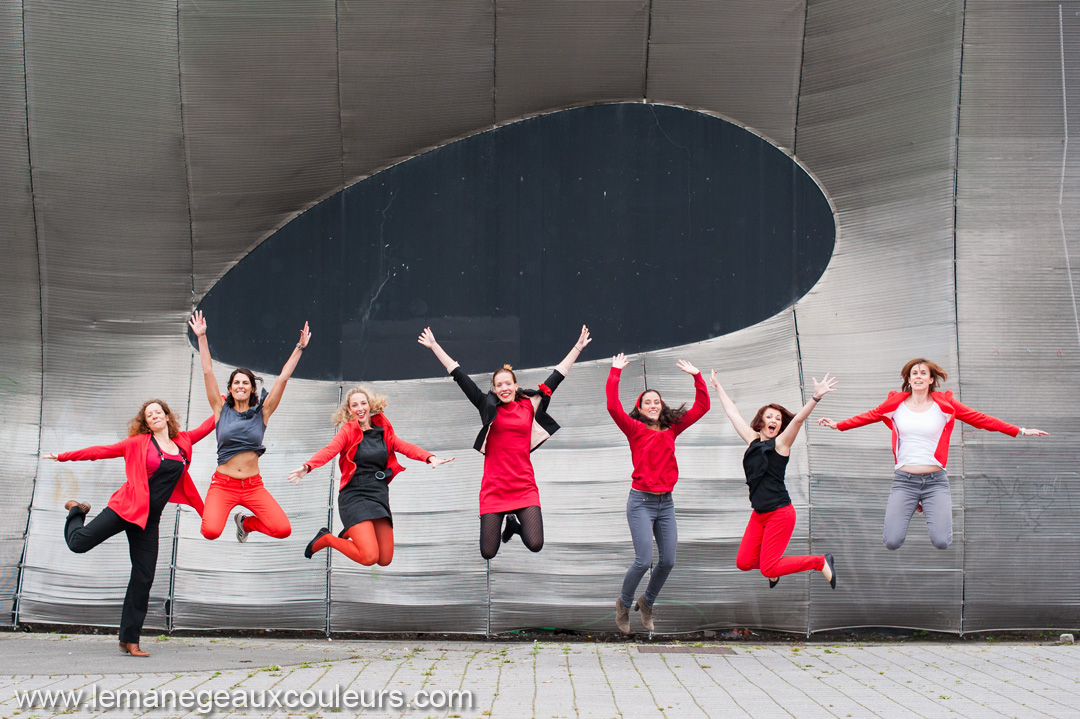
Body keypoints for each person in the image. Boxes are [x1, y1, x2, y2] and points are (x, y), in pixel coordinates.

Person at [817, 358, 1048, 550]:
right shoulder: (895, 404)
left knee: (942, 542)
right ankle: (916, 502)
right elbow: (868, 416)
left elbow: (981, 419)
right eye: (913, 373)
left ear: (930, 379)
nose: (918, 376)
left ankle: (925, 502)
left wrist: (1020, 431)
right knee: (892, 542)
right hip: (904, 481)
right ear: (908, 379)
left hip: (935, 482)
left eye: (923, 373)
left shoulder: (944, 405)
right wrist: (838, 425)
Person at [44, 400, 214, 657]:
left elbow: (210, 424)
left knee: (143, 577)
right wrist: (63, 456)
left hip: (148, 520)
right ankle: (76, 510)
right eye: (149, 415)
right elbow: (101, 451)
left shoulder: (184, 442)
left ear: (167, 417)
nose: (155, 416)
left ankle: (129, 639)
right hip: (124, 509)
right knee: (78, 543)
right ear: (146, 422)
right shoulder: (138, 444)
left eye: (159, 412)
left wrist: (226, 400)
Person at [418, 325, 591, 559]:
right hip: (494, 487)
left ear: (516, 386)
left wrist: (578, 347)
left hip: (523, 485)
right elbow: (459, 375)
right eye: (499, 385)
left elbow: (557, 375)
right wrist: (435, 346)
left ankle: (514, 526)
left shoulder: (530, 405)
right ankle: (507, 522)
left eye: (508, 384)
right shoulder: (486, 406)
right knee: (488, 552)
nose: (504, 388)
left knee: (536, 543)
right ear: (494, 389)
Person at [288, 386, 454, 564]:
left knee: (384, 559)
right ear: (349, 411)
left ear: (370, 405)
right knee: (369, 557)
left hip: (378, 494)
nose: (360, 408)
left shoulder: (383, 431)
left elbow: (405, 447)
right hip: (355, 494)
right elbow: (330, 450)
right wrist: (308, 466)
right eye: (354, 405)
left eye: (363, 403)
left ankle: (351, 530)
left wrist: (430, 457)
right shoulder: (348, 431)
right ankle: (328, 538)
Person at [606, 353, 710, 634]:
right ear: (639, 409)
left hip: (666, 503)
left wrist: (697, 376)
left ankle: (647, 602)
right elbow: (613, 407)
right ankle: (624, 605)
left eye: (656, 402)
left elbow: (703, 406)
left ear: (661, 406)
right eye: (646, 402)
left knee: (668, 561)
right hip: (640, 502)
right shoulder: (634, 429)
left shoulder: (672, 428)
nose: (652, 405)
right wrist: (615, 372)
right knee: (643, 560)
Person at [187, 310, 310, 543]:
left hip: (253, 486)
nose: (241, 386)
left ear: (252, 388)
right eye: (237, 383)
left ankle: (245, 523)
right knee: (210, 532)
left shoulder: (262, 413)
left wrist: (299, 347)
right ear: (231, 389)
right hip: (223, 485)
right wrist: (201, 337)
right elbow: (207, 370)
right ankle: (232, 519)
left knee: (283, 529)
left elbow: (282, 378)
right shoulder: (220, 409)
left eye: (246, 383)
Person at [710, 370, 837, 590]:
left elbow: (797, 420)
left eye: (778, 419)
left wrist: (816, 397)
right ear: (760, 422)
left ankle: (820, 561)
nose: (774, 421)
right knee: (744, 562)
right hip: (759, 514)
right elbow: (732, 413)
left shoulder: (781, 445)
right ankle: (775, 569)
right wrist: (717, 386)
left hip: (780, 513)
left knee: (768, 568)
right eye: (769, 417)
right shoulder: (752, 440)